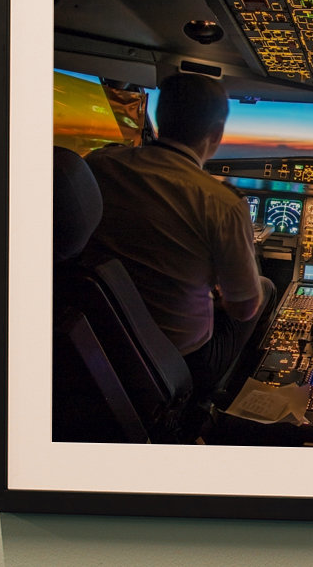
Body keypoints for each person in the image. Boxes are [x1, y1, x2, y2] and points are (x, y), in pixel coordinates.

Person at [84, 72, 274, 396]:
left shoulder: (100, 164)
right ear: (216, 133)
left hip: (97, 332)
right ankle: (214, 397)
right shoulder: (223, 204)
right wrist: (218, 293)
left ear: (160, 118)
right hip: (179, 358)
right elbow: (243, 308)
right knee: (264, 290)